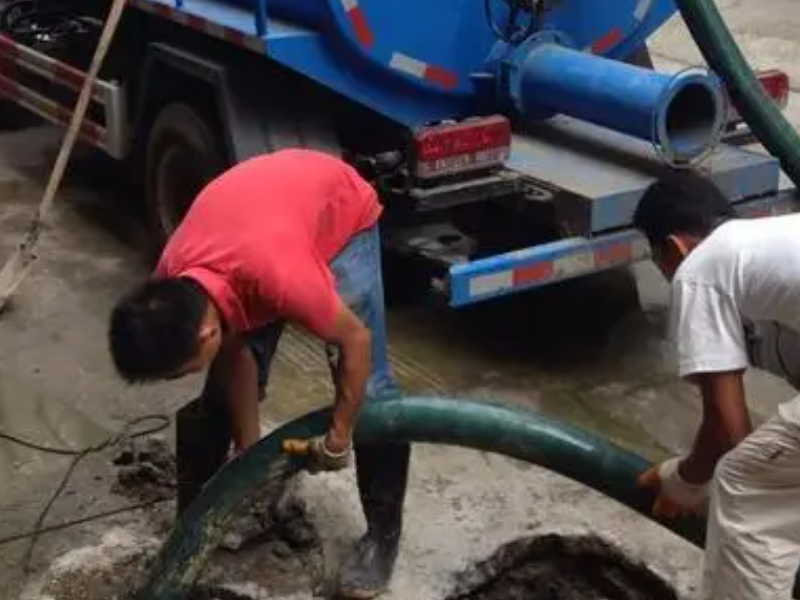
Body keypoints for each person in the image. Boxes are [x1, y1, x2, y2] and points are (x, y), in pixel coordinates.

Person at [109, 149, 409, 599]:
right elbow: (235, 354)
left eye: (176, 372)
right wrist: (252, 454)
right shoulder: (174, 283)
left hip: (337, 212)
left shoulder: (283, 278)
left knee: (374, 394)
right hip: (260, 222)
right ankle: (194, 527)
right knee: (216, 402)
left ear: (207, 332)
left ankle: (381, 541)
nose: (176, 378)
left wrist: (339, 435)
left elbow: (356, 341)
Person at [633, 172, 800, 600]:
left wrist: (683, 480)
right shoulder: (769, 241)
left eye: (660, 264)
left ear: (674, 247)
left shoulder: (701, 267)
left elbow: (728, 431)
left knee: (747, 485)